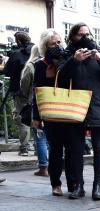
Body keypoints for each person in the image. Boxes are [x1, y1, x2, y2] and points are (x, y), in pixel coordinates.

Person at [58, 22, 100, 200]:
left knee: (99, 149)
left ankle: (97, 187)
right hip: (75, 107)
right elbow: (61, 79)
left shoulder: (98, 54)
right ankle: (79, 186)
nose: (84, 38)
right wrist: (74, 61)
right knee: (76, 149)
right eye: (80, 35)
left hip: (98, 105)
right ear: (72, 37)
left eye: (87, 34)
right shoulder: (68, 54)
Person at [31, 30, 70, 195]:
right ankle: (56, 184)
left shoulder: (67, 61)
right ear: (45, 46)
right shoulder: (40, 65)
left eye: (59, 42)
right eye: (53, 43)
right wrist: (36, 116)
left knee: (71, 149)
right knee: (55, 149)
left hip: (69, 110)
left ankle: (74, 183)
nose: (58, 46)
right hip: (51, 112)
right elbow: (37, 92)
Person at [18, 45, 49, 176]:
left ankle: (43, 167)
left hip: (36, 102)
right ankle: (56, 164)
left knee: (40, 136)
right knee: (51, 137)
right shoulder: (50, 63)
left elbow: (24, 87)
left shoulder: (31, 66)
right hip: (52, 102)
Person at [4, 32, 34, 156]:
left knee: (22, 118)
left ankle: (24, 148)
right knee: (38, 118)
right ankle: (40, 149)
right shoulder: (38, 51)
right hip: (38, 89)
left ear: (19, 41)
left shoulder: (17, 54)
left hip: (21, 90)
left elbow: (7, 71)